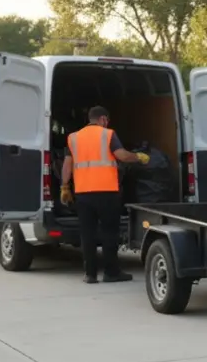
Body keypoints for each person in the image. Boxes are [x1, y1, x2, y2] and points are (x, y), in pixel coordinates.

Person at [61, 106, 150, 284]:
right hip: (107, 193)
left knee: (87, 234)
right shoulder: (108, 134)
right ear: (102, 119)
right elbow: (122, 156)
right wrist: (139, 157)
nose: (107, 123)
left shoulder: (73, 138)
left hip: (83, 194)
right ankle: (111, 272)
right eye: (106, 120)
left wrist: (64, 187)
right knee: (110, 233)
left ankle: (90, 274)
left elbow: (67, 165)